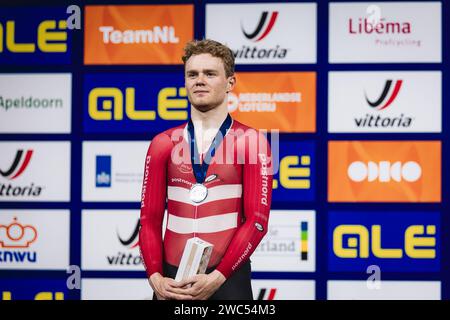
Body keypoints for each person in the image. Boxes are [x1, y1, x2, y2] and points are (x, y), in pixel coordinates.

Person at [139, 39, 273, 300]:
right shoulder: (162, 143)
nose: (199, 80)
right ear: (185, 82)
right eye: (192, 74)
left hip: (228, 280)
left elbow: (257, 220)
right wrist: (155, 277)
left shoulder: (252, 141)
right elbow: (149, 220)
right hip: (170, 283)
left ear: (230, 83)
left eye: (210, 74)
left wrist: (218, 277)